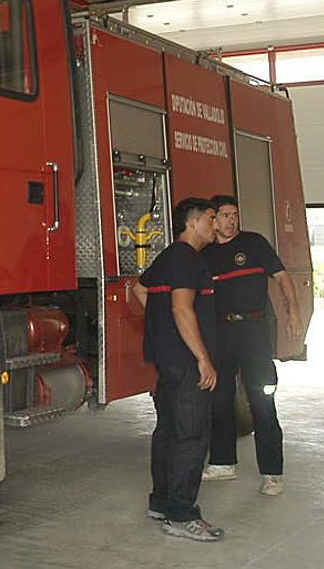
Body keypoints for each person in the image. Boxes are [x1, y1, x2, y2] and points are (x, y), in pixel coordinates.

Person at [131, 198, 224, 542]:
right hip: (186, 363)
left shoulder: (170, 255)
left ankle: (162, 502)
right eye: (212, 219)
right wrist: (203, 357)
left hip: (168, 360)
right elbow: (182, 309)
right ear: (193, 221)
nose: (216, 225)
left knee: (168, 431)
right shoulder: (187, 258)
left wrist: (164, 328)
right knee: (192, 436)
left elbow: (139, 288)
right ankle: (182, 516)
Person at [200, 194, 303, 496]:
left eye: (235, 214)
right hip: (221, 333)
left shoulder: (254, 244)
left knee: (262, 399)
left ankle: (272, 473)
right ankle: (222, 463)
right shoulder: (204, 255)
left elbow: (282, 278)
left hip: (254, 331)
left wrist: (292, 313)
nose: (231, 220)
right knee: (219, 398)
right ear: (213, 219)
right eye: (225, 215)